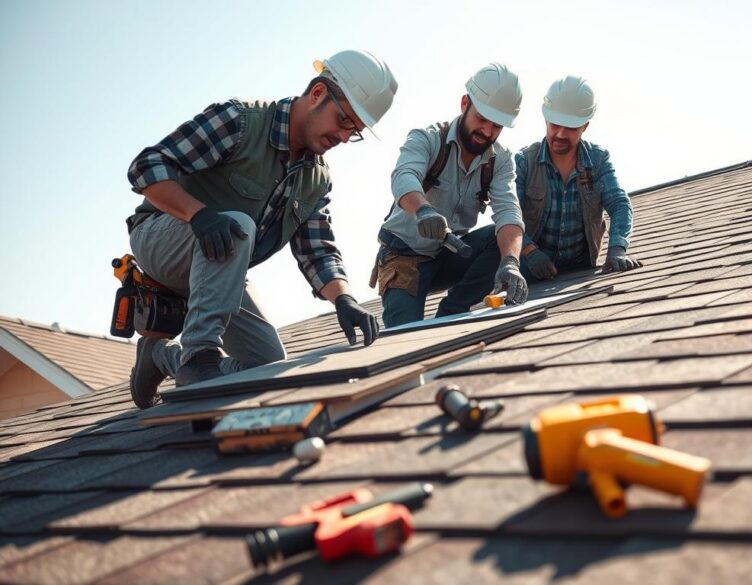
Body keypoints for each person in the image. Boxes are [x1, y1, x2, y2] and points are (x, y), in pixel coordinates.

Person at [124, 50, 398, 409]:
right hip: (161, 238)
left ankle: (161, 357)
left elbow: (316, 249)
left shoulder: (316, 179)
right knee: (238, 224)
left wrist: (344, 299)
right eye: (343, 120)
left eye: (355, 132)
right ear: (317, 94)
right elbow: (146, 167)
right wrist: (198, 214)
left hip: (219, 268)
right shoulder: (238, 122)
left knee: (265, 366)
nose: (345, 137)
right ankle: (199, 353)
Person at [373, 63, 528, 327]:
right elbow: (404, 177)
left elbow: (509, 213)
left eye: (497, 126)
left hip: (450, 254)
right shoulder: (427, 139)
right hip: (404, 259)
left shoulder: (500, 160)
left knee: (502, 240)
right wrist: (423, 209)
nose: (488, 132)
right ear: (464, 103)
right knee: (405, 338)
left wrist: (511, 262)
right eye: (482, 119)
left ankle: (451, 313)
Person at [515, 75, 641, 282]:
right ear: (545, 119)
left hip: (581, 271)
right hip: (531, 271)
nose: (561, 134)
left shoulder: (598, 160)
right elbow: (508, 216)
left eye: (571, 127)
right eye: (555, 125)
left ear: (585, 126)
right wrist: (529, 251)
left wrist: (617, 249)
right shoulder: (524, 162)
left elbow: (619, 205)